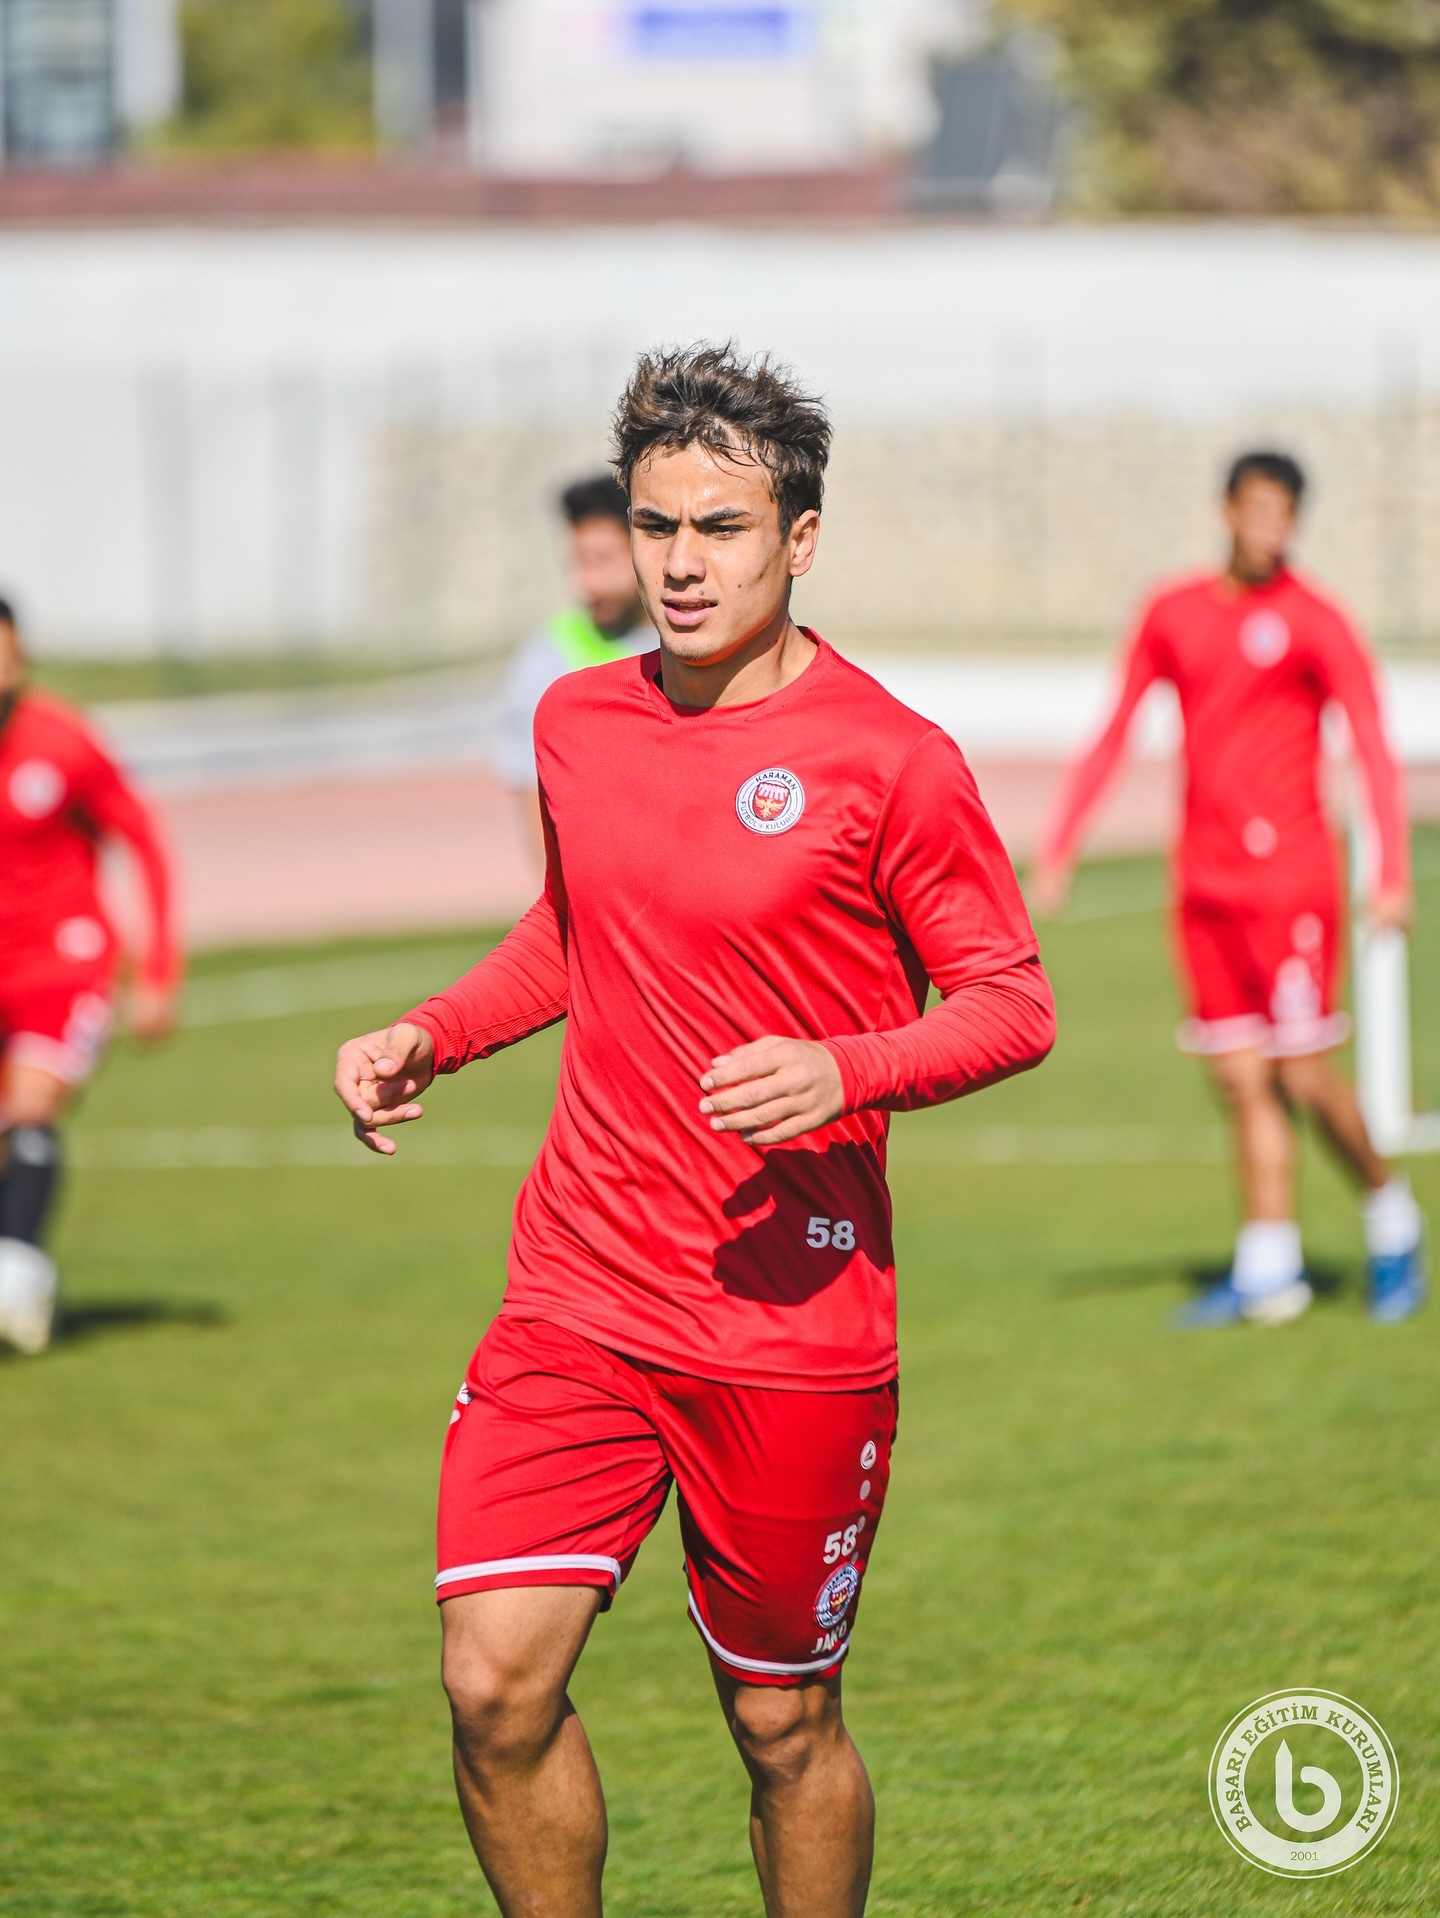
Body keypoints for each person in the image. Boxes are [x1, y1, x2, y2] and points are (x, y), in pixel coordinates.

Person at [335, 343, 1055, 1917]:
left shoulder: (892, 758)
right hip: (578, 1289)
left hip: (789, 1315)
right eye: (656, 525)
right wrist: (431, 1032)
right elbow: (569, 931)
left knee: (782, 1724)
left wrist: (849, 1068)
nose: (679, 562)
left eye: (720, 528)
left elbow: (1012, 1001)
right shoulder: (578, 718)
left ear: (801, 538)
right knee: (492, 1683)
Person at [1033, 450, 1425, 1327]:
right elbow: (1118, 724)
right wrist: (1061, 841)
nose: (1269, 526)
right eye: (1257, 508)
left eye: (1284, 512)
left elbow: (1371, 742)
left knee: (1303, 1073)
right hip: (1204, 885)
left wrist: (1392, 871)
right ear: (1228, 510)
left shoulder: (1317, 619)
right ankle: (1269, 1269)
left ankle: (1392, 1219)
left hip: (1291, 883)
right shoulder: (1173, 612)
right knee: (1242, 1078)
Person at [0, 596, 180, 1355]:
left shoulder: (64, 741)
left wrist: (159, 969)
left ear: (23, 657)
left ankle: (16, 1272)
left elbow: (144, 839)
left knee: (30, 1104)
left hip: (64, 964)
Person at [493, 473, 653, 868]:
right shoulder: (547, 660)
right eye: (577, 563)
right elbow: (535, 805)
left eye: (602, 560)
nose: (585, 582)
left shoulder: (698, 642)